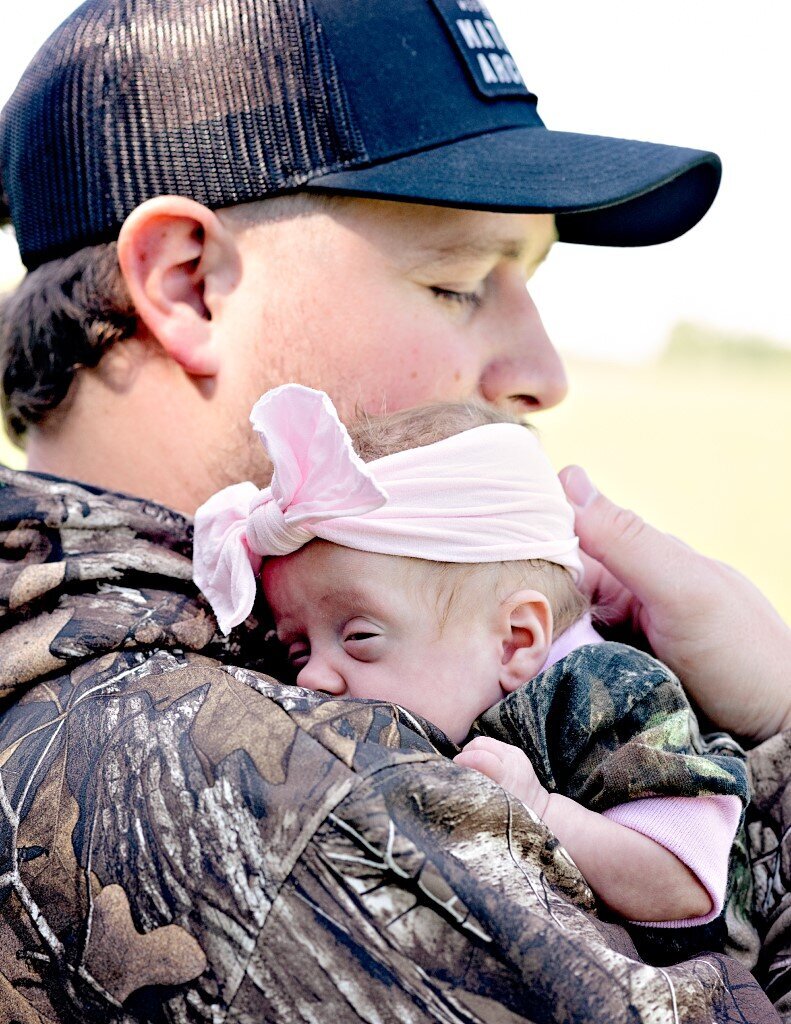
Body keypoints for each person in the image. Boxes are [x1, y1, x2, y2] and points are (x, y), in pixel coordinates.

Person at [0, 0, 789, 1021]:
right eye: (459, 280)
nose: (542, 372)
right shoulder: (304, 793)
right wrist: (774, 725)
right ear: (187, 284)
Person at [192, 383, 749, 942]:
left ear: (513, 640)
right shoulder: (439, 705)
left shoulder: (612, 693)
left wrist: (540, 808)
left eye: (359, 636)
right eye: (299, 649)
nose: (311, 677)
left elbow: (685, 885)